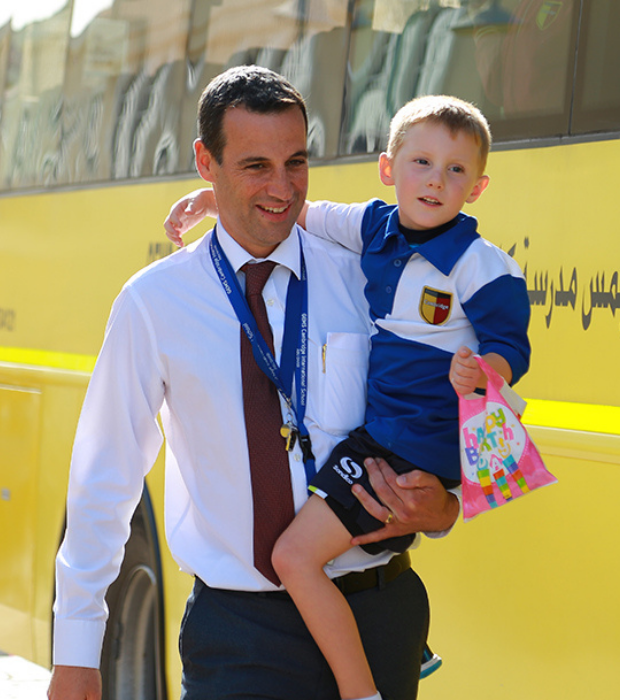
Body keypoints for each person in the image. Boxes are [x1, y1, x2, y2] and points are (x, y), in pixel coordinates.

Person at [48, 67, 460, 700]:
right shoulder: (153, 303)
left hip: (376, 619)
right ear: (204, 162)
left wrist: (449, 508)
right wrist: (77, 650)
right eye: (255, 166)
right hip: (240, 633)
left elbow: (458, 394)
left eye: (296, 163)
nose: (282, 189)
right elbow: (105, 476)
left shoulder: (368, 278)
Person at [163, 93, 531, 700]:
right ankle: (405, 649)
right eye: (421, 164)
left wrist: (483, 371)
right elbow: (300, 213)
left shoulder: (481, 265)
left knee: (294, 559)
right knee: (326, 547)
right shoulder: (373, 227)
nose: (435, 181)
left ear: (479, 187)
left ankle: (362, 692)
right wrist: (216, 199)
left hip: (411, 445)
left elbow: (510, 348)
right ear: (388, 170)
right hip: (384, 437)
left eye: (455, 170)